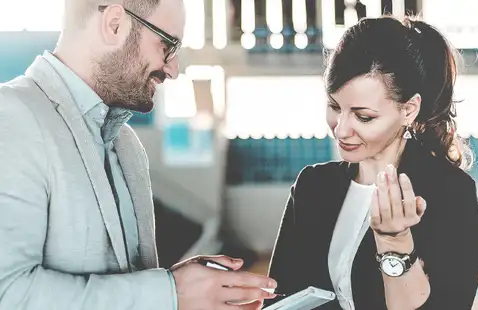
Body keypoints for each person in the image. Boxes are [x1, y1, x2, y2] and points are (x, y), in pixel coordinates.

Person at [0, 1, 277, 309]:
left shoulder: (126, 146)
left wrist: (189, 290)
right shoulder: (10, 116)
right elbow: (8, 294)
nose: (173, 69)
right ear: (115, 24)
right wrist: (170, 293)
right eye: (167, 44)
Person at [265, 15, 478, 310]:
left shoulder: (450, 194)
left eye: (363, 116)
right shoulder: (312, 186)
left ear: (408, 110)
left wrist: (396, 243)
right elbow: (282, 296)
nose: (341, 129)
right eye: (334, 106)